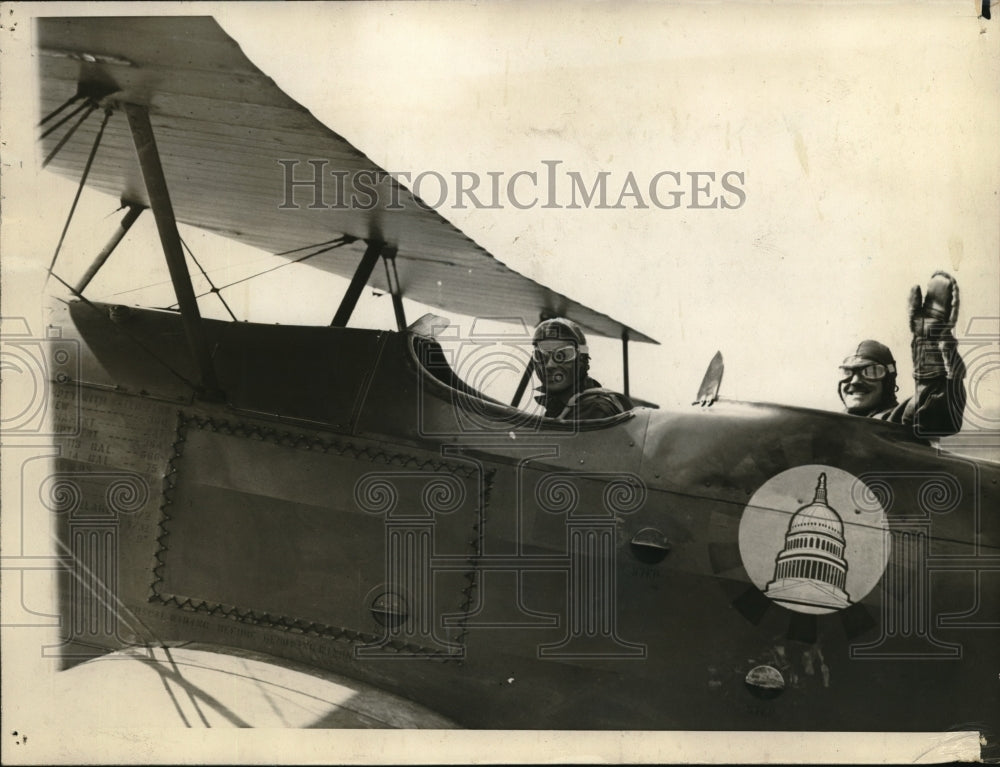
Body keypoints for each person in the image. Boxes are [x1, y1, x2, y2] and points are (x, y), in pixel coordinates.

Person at [838, 271, 966, 437]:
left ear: (888, 382)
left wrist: (926, 344)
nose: (855, 381)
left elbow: (934, 414)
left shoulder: (897, 421)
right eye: (847, 372)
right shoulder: (829, 426)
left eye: (871, 372)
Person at [531, 317, 633, 420]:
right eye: (540, 356)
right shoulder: (559, 407)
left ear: (582, 360)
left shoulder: (593, 409)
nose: (549, 365)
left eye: (562, 355)